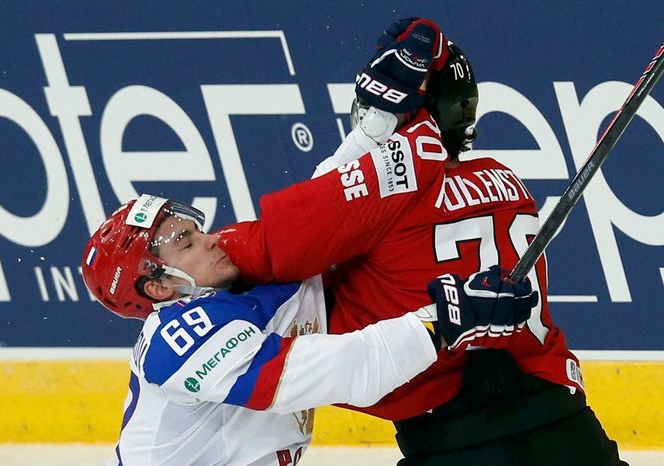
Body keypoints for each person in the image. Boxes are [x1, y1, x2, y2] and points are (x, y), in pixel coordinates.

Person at [215, 17, 628, 466]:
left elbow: (272, 249)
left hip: (454, 441)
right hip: (565, 423)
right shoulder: (508, 181)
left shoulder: (392, 184)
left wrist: (190, 248)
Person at [81, 193, 537, 466]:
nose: (213, 238)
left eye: (197, 231)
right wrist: (440, 321)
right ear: (159, 287)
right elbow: (338, 369)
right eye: (188, 244)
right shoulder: (173, 339)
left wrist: (376, 122)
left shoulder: (248, 294)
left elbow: (329, 206)